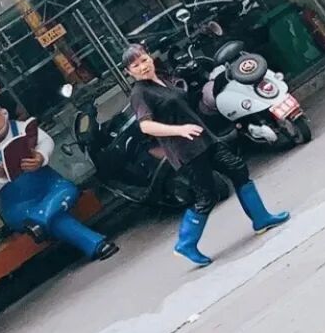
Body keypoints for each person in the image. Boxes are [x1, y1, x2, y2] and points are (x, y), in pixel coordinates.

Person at [124, 43, 290, 266]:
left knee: (237, 169)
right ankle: (185, 244)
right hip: (185, 151)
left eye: (144, 60)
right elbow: (146, 126)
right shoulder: (140, 93)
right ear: (129, 72)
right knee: (206, 197)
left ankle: (261, 219)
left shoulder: (162, 79)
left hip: (205, 140)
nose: (142, 67)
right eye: (135, 66)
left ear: (150, 57)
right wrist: (179, 130)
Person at [0, 84, 118, 261]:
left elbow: (45, 141)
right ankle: (95, 244)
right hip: (21, 206)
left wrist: (40, 156)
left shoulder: (17, 128)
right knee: (57, 220)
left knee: (67, 191)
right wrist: (0, 176)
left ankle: (41, 219)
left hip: (51, 187)